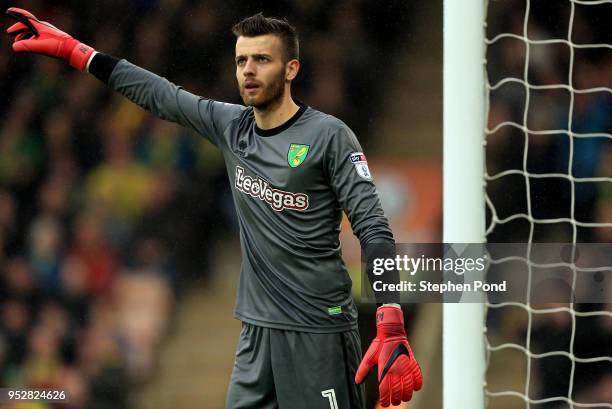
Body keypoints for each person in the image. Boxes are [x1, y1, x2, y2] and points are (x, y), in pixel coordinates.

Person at [5, 8, 422, 409]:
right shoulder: (232, 126)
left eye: (262, 59)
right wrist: (77, 52)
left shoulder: (330, 136)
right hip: (256, 332)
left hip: (317, 331)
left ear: (291, 69)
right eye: (242, 60)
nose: (249, 70)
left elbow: (373, 227)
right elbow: (161, 95)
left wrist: (389, 316)